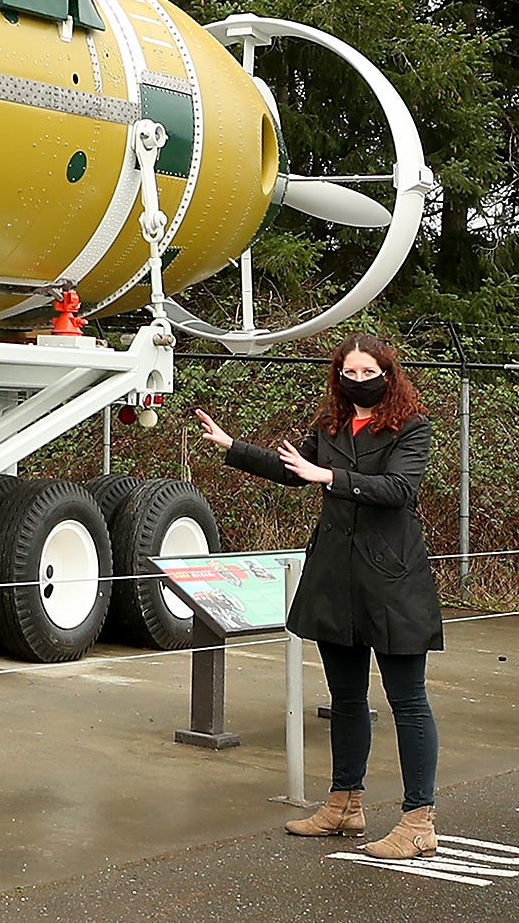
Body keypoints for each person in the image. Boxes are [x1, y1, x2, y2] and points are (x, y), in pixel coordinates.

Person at [197, 334, 444, 859]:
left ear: (388, 373)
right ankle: (344, 805)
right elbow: (294, 471)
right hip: (336, 580)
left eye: (367, 372)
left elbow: (400, 490)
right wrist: (232, 447)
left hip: (393, 582)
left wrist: (329, 475)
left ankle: (419, 820)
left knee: (408, 701)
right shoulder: (329, 425)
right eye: (349, 373)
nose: (358, 381)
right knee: (346, 699)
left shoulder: (413, 428)